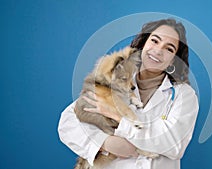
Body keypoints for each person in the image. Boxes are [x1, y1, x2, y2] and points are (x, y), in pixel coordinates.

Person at [58, 18, 199, 169]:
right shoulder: (115, 79)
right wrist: (105, 143)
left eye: (169, 49)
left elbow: (174, 145)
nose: (158, 50)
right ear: (143, 44)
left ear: (173, 60)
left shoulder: (184, 95)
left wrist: (120, 119)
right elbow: (68, 122)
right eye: (155, 41)